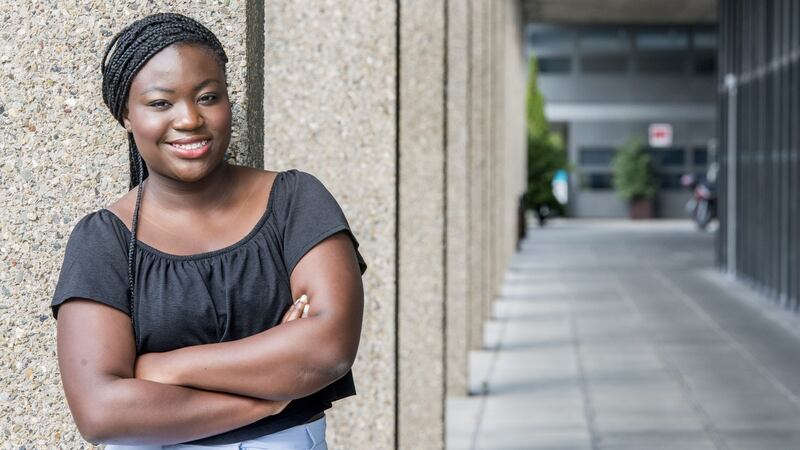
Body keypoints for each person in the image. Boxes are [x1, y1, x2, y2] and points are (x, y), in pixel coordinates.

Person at [50, 13, 366, 449]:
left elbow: (327, 349)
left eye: (208, 97)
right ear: (127, 115)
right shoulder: (105, 240)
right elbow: (101, 412)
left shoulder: (295, 201)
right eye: (161, 103)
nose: (189, 119)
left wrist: (167, 367)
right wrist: (269, 400)